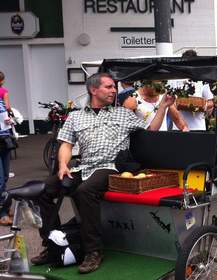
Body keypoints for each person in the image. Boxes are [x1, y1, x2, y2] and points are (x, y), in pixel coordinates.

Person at [30, 73, 176, 273]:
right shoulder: (76, 116)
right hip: (83, 166)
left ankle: (93, 251)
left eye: (113, 87)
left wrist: (163, 106)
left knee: (85, 191)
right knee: (44, 189)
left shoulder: (122, 114)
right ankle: (51, 244)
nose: (114, 90)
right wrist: (63, 165)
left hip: (111, 167)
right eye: (108, 87)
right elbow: (66, 144)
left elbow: (151, 129)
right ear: (93, 90)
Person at [171, 50, 214, 131]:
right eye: (185, 64)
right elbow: (169, 102)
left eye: (191, 64)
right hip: (178, 127)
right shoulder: (174, 79)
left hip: (198, 127)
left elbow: (210, 102)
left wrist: (203, 105)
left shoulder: (202, 80)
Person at [0, 72, 13, 226]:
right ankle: (2, 213)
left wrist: (8, 120)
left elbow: (7, 111)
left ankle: (5, 206)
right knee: (0, 180)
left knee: (4, 178)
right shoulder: (4, 93)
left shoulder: (2, 102)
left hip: (5, 139)